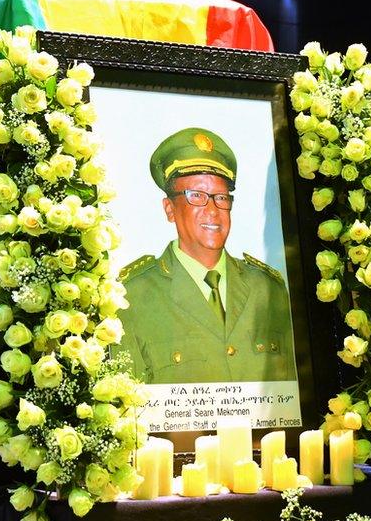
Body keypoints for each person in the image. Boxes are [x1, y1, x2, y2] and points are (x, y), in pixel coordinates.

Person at [115, 127, 296, 384]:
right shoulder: (132, 296)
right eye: (197, 196)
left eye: (221, 197)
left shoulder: (268, 288)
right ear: (169, 209)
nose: (212, 210)